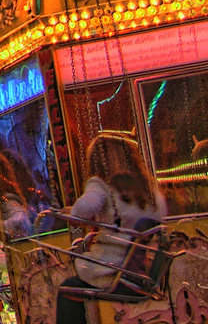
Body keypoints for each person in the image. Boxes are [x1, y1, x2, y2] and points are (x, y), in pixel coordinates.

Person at [54, 133, 166, 324]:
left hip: (115, 271)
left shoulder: (101, 184)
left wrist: (72, 212)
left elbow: (84, 208)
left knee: (68, 288)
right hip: (145, 272)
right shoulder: (148, 188)